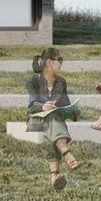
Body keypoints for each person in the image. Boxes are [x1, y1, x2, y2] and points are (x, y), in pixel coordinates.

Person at [26, 47, 83, 189]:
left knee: (51, 126)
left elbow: (65, 105)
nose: (61, 63)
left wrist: (74, 112)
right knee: (52, 117)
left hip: (52, 122)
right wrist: (42, 107)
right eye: (60, 60)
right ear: (49, 62)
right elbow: (32, 106)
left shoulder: (61, 82)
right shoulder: (33, 81)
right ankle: (68, 156)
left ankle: (54, 176)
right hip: (35, 120)